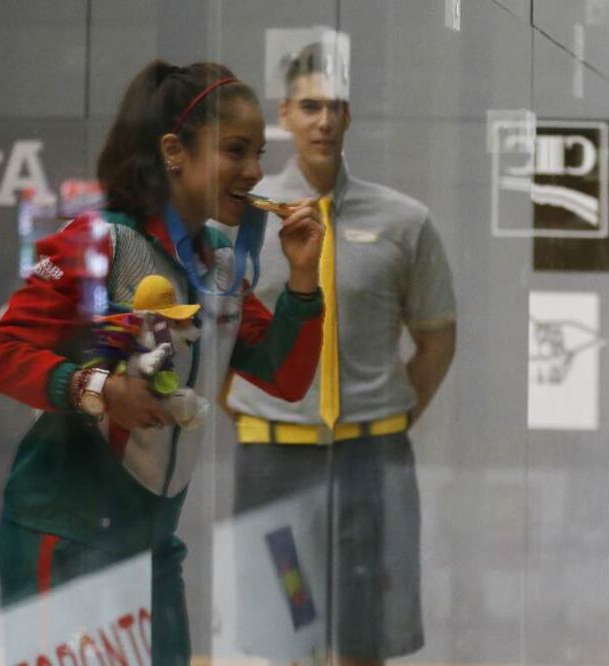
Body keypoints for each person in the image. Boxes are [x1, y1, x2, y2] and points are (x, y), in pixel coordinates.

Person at [0, 61, 325, 665]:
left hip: (151, 541)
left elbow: (285, 376)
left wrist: (300, 281)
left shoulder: (219, 263)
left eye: (259, 153)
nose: (254, 172)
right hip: (65, 535)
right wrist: (100, 389)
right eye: (235, 150)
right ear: (174, 152)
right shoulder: (100, 243)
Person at [224, 42, 456, 666]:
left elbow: (436, 336)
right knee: (284, 632)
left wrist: (391, 412)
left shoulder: (404, 220)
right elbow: (220, 335)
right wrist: (246, 402)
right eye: (309, 106)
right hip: (274, 458)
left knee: (363, 636)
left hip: (370, 459)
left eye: (335, 106)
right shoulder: (245, 221)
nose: (323, 120)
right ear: (286, 114)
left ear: (350, 114)